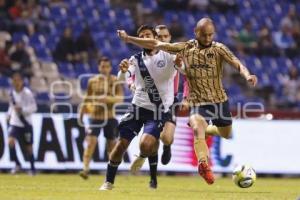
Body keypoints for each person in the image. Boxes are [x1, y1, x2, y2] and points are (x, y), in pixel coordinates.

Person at [117, 17, 258, 185]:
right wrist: (128, 39)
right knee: (198, 131)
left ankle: (210, 129)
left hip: (219, 101)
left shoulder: (219, 49)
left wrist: (247, 75)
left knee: (226, 134)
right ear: (196, 32)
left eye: (210, 35)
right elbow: (155, 45)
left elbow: (238, 64)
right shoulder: (185, 47)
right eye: (204, 35)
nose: (207, 38)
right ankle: (203, 165)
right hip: (197, 102)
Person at [99, 25, 182, 190]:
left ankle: (143, 156)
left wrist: (181, 65)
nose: (144, 38)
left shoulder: (170, 56)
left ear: (154, 38)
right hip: (137, 108)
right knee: (121, 144)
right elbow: (122, 78)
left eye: (147, 35)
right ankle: (108, 182)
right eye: (142, 35)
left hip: (158, 111)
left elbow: (183, 70)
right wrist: (122, 72)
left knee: (146, 144)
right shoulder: (134, 59)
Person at [129, 25, 180, 174]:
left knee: (167, 137)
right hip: (149, 102)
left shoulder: (173, 54)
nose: (163, 39)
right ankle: (146, 155)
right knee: (152, 136)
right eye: (160, 36)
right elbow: (132, 74)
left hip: (169, 101)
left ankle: (167, 146)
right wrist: (131, 84)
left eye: (166, 36)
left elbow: (188, 75)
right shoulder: (145, 57)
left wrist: (186, 97)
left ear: (169, 38)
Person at [78, 57, 123, 179]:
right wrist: (81, 112)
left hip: (110, 117)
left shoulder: (115, 81)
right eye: (102, 66)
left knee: (111, 145)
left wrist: (107, 99)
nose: (104, 69)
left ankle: (111, 170)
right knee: (91, 142)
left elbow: (120, 98)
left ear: (110, 68)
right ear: (99, 67)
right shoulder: (92, 81)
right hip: (95, 116)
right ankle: (85, 168)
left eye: (107, 66)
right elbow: (87, 98)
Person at [7, 72, 37, 175]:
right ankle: (17, 164)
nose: (16, 83)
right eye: (14, 81)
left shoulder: (27, 93)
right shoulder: (11, 93)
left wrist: (23, 110)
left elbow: (34, 107)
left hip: (26, 123)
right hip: (15, 122)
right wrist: (9, 114)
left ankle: (32, 168)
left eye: (18, 81)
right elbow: (11, 106)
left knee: (28, 147)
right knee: (10, 141)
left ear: (22, 81)